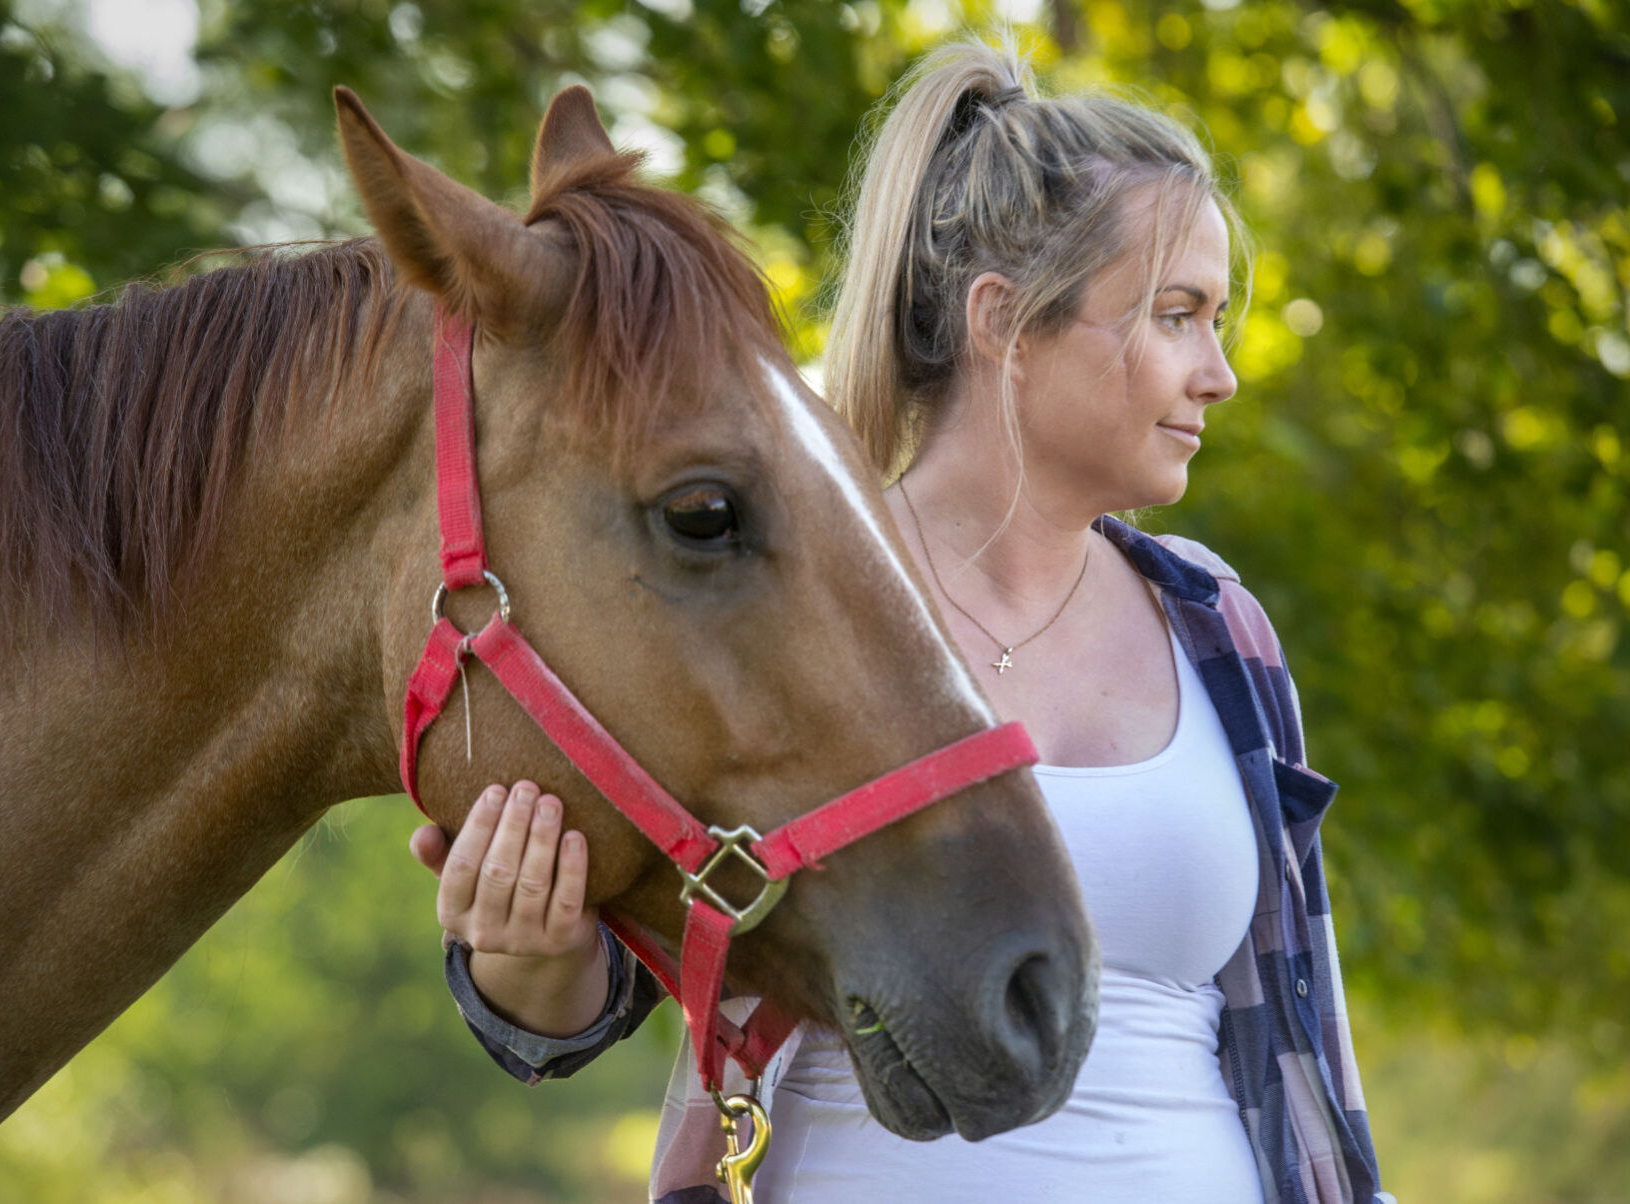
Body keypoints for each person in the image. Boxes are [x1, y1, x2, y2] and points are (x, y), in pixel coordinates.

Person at [410, 40, 1391, 1204]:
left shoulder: (1217, 625)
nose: (1218, 371)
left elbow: (1304, 1045)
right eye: (1176, 315)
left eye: (1217, 318)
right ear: (1005, 324)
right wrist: (531, 952)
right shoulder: (778, 579)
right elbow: (595, 1002)